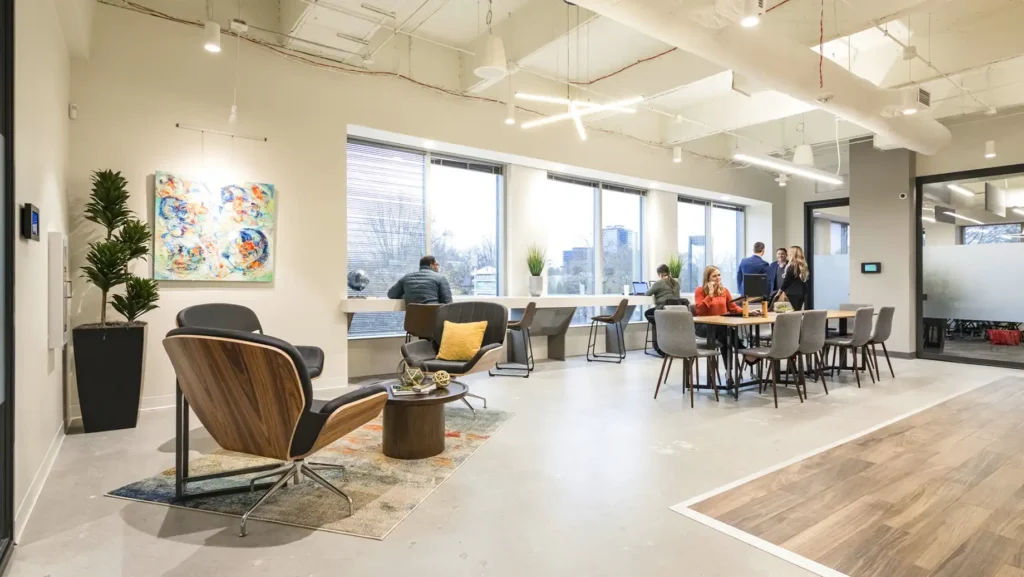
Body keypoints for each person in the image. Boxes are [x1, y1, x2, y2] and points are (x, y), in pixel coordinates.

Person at [694, 265, 743, 380]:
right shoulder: (700, 290)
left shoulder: (724, 291)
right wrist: (710, 295)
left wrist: (748, 312)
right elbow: (699, 310)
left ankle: (728, 373)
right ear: (708, 278)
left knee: (725, 337)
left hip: (720, 328)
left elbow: (733, 308)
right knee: (726, 332)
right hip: (703, 327)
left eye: (719, 275)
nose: (718, 278)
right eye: (714, 276)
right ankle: (743, 350)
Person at [644, 264, 683, 356]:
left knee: (647, 313)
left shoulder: (659, 283)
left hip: (663, 310)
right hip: (674, 311)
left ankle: (660, 341)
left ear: (659, 274)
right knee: (654, 315)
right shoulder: (676, 282)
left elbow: (647, 293)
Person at [387, 255, 453, 305]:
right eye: (436, 265)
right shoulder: (440, 278)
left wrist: (406, 294)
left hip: (413, 321)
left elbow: (391, 294)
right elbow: (448, 304)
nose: (437, 268)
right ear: (431, 265)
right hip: (434, 320)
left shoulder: (406, 278)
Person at [779, 245, 809, 311]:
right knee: (797, 312)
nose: (788, 254)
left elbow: (787, 281)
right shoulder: (802, 265)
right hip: (802, 292)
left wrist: (779, 291)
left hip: (792, 293)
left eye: (789, 252)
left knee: (792, 313)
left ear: (793, 254)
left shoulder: (792, 266)